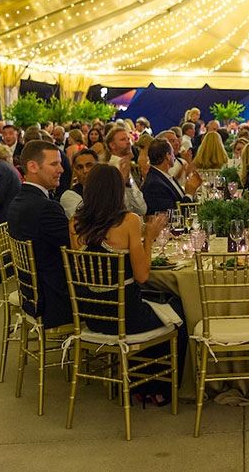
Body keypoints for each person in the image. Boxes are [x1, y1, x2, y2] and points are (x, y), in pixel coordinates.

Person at [69, 164, 185, 405]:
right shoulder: (128, 221)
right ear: (116, 191)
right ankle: (159, 387)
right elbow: (142, 275)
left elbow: (84, 271)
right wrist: (150, 237)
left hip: (92, 314)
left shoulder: (75, 223)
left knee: (151, 303)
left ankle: (136, 383)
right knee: (178, 307)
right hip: (125, 316)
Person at [6, 141, 73, 327]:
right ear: (32, 166)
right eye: (54, 164)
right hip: (55, 301)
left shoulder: (19, 200)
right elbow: (78, 246)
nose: (61, 169)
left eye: (60, 163)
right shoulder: (45, 207)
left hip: (31, 295)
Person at [140, 139, 201, 214]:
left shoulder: (164, 176)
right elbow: (172, 215)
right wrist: (189, 194)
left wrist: (192, 191)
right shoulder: (154, 184)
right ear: (167, 156)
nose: (174, 157)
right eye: (172, 153)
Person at [60, 148, 98, 219]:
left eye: (89, 165)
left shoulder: (109, 190)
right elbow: (83, 222)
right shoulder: (69, 196)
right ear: (75, 171)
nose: (85, 171)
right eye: (80, 167)